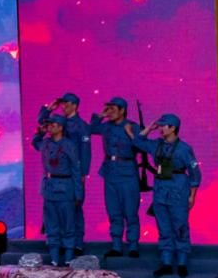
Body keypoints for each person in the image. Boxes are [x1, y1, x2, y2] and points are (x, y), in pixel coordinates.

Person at [125, 113, 201, 278]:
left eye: (163, 125)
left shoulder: (184, 148)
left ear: (173, 128)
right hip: (160, 190)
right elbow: (137, 142)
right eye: (159, 126)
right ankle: (166, 263)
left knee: (180, 227)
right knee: (164, 228)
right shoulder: (156, 145)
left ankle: (182, 263)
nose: (160, 128)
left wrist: (192, 196)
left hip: (178, 189)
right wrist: (149, 129)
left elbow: (195, 173)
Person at [39, 92, 92, 255]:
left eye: (67, 104)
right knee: (56, 209)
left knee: (75, 207)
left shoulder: (81, 126)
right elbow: (42, 124)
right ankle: (59, 242)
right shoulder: (59, 121)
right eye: (63, 104)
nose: (64, 107)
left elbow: (85, 151)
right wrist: (49, 109)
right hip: (58, 173)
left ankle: (77, 243)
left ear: (75, 105)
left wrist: (83, 173)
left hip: (73, 173)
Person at [90, 97, 142, 258]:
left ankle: (133, 245)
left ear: (122, 110)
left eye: (113, 109)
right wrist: (100, 115)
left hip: (127, 172)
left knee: (130, 212)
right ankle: (116, 245)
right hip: (110, 172)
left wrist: (132, 135)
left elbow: (142, 146)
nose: (110, 112)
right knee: (113, 211)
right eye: (108, 108)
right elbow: (92, 129)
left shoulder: (132, 126)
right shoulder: (106, 126)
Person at [31, 115, 82, 266]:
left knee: (68, 225)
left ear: (61, 127)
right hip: (50, 188)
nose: (50, 127)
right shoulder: (46, 143)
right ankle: (54, 258)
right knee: (51, 224)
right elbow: (35, 143)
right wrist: (40, 132)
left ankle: (68, 257)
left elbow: (76, 170)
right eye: (49, 125)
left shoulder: (69, 145)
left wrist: (78, 193)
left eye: (53, 125)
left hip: (65, 188)